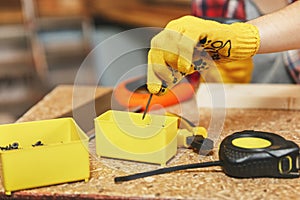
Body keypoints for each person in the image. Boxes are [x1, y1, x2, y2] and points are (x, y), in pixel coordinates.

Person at [146, 0, 300, 95]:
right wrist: (212, 82)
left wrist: (242, 36)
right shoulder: (211, 2)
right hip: (244, 108)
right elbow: (195, 75)